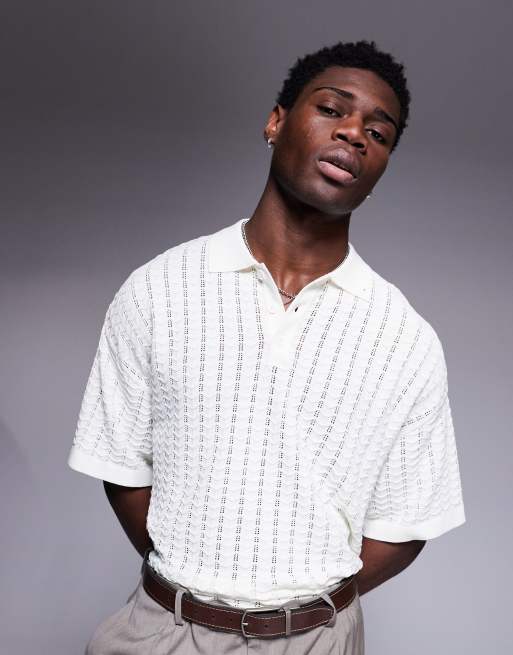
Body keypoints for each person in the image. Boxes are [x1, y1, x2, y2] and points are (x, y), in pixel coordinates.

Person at [68, 39, 466, 654]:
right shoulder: (158, 289)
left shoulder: (404, 338)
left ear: (382, 166)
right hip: (162, 633)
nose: (354, 134)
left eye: (379, 133)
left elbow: (408, 522)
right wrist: (201, 592)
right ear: (276, 122)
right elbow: (121, 465)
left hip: (317, 641)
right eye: (331, 109)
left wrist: (300, 609)